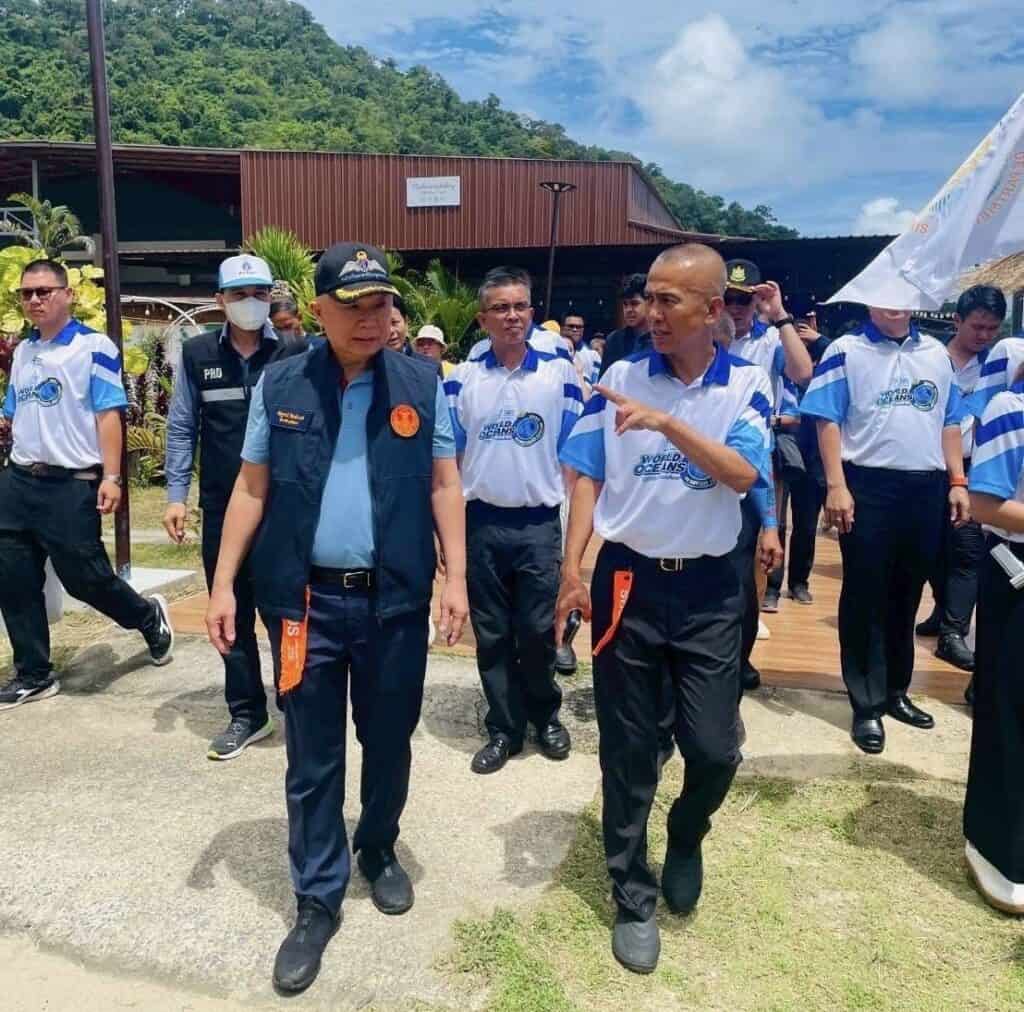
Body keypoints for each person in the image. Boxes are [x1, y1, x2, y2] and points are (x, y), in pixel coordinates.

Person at [205, 242, 468, 994]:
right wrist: (224, 584)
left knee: (389, 739)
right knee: (311, 756)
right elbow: (251, 490)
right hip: (304, 607)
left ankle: (378, 848)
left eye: (380, 304)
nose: (370, 318)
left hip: (393, 599)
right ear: (317, 311)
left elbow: (446, 483)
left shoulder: (422, 379)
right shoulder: (282, 381)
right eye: (352, 306)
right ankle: (316, 899)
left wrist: (456, 577)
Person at [557, 244, 772, 974]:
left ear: (713, 310)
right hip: (628, 583)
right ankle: (632, 893)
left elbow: (742, 474)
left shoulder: (746, 382)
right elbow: (585, 472)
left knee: (714, 748)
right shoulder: (617, 376)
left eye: (669, 301)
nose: (651, 314)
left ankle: (686, 835)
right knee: (628, 746)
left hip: (712, 588)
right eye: (648, 298)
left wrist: (666, 424)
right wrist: (571, 568)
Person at [0, 258, 174, 710]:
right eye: (27, 293)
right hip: (19, 480)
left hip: (70, 483)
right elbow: (13, 410)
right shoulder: (23, 351)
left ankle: (146, 615)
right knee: (14, 579)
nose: (35, 300)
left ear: (67, 294)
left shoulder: (93, 347)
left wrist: (112, 477)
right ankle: (34, 673)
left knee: (86, 578)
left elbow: (108, 413)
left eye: (44, 291)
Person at [800, 304, 969, 754]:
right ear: (871, 301)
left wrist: (957, 480)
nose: (893, 304)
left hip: (926, 486)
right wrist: (836, 485)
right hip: (868, 484)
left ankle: (896, 690)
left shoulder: (936, 353)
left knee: (908, 592)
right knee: (865, 593)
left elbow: (950, 421)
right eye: (883, 295)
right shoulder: (846, 350)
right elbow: (826, 419)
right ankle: (867, 703)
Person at [446, 267, 583, 775]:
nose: (512, 316)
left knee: (535, 629)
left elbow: (574, 451)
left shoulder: (558, 372)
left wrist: (569, 523)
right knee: (493, 633)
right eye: (500, 308)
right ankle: (503, 728)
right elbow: (452, 459)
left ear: (532, 312)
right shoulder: (462, 378)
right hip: (482, 523)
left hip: (539, 524)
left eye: (520, 306)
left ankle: (545, 715)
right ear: (483, 318)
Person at [164, 254, 292, 760]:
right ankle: (247, 712)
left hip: (282, 508)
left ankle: (296, 701)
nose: (251, 303)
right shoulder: (197, 355)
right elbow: (181, 427)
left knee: (285, 612)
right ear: (220, 301)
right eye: (239, 295)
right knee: (229, 611)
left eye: (259, 293)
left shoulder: (294, 354)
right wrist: (176, 496)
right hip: (221, 506)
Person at [720, 260, 813, 688]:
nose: (737, 307)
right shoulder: (707, 336)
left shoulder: (771, 338)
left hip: (758, 458)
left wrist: (779, 314)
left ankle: (741, 652)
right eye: (730, 298)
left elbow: (801, 372)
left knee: (753, 558)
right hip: (705, 459)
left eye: (747, 299)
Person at [915, 286, 1006, 687]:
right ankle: (940, 610)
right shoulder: (928, 359)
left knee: (968, 549)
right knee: (932, 545)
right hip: (926, 464)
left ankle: (953, 632)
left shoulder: (1001, 366)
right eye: (976, 326)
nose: (983, 335)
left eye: (991, 328)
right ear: (957, 320)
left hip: (976, 467)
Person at [963, 370, 1024, 913]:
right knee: (1010, 712)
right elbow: (986, 504)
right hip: (1017, 572)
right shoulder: (1012, 406)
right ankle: (997, 846)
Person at [765, 304, 831, 609]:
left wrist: (818, 339)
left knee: (806, 522)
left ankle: (799, 582)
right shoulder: (778, 361)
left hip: (814, 451)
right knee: (775, 519)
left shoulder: (826, 363)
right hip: (782, 446)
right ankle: (771, 585)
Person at [599, 274, 650, 376]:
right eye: (625, 304)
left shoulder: (661, 339)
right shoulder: (614, 339)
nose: (628, 310)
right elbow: (605, 379)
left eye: (634, 303)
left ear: (649, 303)